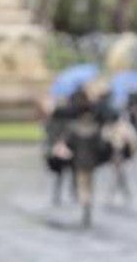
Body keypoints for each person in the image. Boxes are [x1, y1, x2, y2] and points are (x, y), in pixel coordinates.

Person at [45, 89, 108, 227]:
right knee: (88, 182)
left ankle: (82, 199)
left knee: (78, 181)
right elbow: (101, 146)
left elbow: (65, 142)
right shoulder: (94, 127)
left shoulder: (71, 125)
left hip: (78, 160)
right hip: (90, 161)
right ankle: (86, 200)